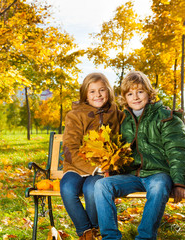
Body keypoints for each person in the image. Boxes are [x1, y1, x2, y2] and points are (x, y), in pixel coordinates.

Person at [94, 71, 185, 240]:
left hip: (159, 174)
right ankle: (110, 237)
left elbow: (177, 152)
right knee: (102, 185)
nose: (135, 97)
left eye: (140, 91)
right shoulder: (123, 121)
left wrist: (179, 182)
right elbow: (118, 151)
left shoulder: (166, 118)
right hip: (132, 175)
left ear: (149, 93)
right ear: (125, 98)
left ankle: (145, 237)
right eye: (130, 93)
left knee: (158, 187)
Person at [60, 72, 124, 240]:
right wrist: (93, 168)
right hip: (76, 166)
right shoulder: (75, 115)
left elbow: (136, 117)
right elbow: (69, 148)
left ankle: (93, 230)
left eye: (102, 90)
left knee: (92, 189)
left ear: (109, 91)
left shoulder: (115, 112)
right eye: (92, 91)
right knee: (67, 189)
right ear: (85, 95)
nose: (98, 95)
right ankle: (85, 232)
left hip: (104, 168)